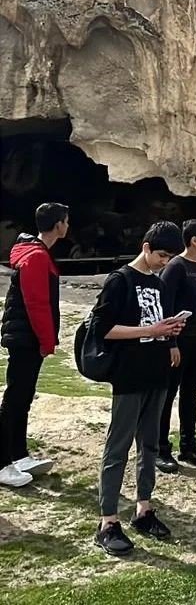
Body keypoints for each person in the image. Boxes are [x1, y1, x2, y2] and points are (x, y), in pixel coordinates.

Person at [92, 221, 187, 556]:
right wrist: (149, 328)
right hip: (129, 375)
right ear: (146, 247)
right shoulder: (120, 281)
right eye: (161, 255)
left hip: (156, 373)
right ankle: (107, 520)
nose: (165, 261)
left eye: (169, 256)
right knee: (117, 448)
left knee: (149, 445)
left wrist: (170, 332)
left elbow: (157, 324)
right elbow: (103, 329)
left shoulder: (158, 284)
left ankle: (144, 508)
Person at [0, 202, 68, 488]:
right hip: (25, 337)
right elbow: (36, 303)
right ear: (58, 225)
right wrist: (46, 340)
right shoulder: (36, 256)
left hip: (26, 336)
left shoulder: (37, 253)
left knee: (23, 396)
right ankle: (2, 462)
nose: (68, 224)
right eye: (66, 220)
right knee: (16, 398)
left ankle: (18, 454)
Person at [156, 219, 196, 474]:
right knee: (168, 393)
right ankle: (161, 447)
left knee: (191, 392)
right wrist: (171, 342)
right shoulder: (175, 267)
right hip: (180, 341)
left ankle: (188, 444)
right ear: (194, 240)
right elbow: (166, 306)